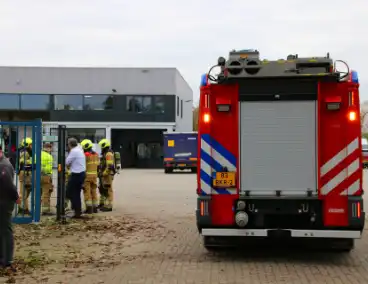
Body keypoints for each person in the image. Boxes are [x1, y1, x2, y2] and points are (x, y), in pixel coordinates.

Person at [0, 145, 19, 272]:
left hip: (4, 202)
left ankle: (7, 260)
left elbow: (8, 185)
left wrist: (16, 197)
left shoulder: (4, 166)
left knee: (5, 231)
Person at [65, 138, 86, 218]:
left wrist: (68, 166)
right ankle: (77, 211)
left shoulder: (73, 151)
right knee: (76, 193)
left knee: (70, 193)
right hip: (81, 174)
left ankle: (76, 211)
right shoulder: (79, 150)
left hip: (76, 175)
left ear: (69, 144)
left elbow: (67, 162)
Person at [81, 139, 99, 214]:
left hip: (87, 176)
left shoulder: (85, 155)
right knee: (94, 191)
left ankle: (89, 208)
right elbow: (98, 164)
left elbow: (82, 165)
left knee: (87, 192)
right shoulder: (96, 154)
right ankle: (95, 208)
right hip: (94, 176)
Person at [18, 138, 34, 215]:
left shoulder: (28, 152)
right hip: (24, 173)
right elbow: (22, 161)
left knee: (26, 192)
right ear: (27, 145)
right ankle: (22, 209)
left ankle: (25, 208)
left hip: (27, 173)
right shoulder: (24, 152)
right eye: (31, 144)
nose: (32, 146)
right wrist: (32, 161)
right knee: (23, 192)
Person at [98, 139, 115, 212]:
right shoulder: (105, 153)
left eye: (101, 147)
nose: (101, 148)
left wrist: (104, 173)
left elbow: (109, 165)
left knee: (108, 190)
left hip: (107, 175)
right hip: (104, 174)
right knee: (103, 189)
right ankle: (104, 204)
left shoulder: (108, 154)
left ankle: (109, 206)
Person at [40, 143, 53, 215]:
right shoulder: (49, 156)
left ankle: (36, 209)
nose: (51, 149)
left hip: (38, 175)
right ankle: (45, 210)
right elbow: (49, 168)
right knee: (46, 193)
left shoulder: (38, 154)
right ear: (48, 148)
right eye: (50, 148)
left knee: (39, 193)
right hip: (46, 176)